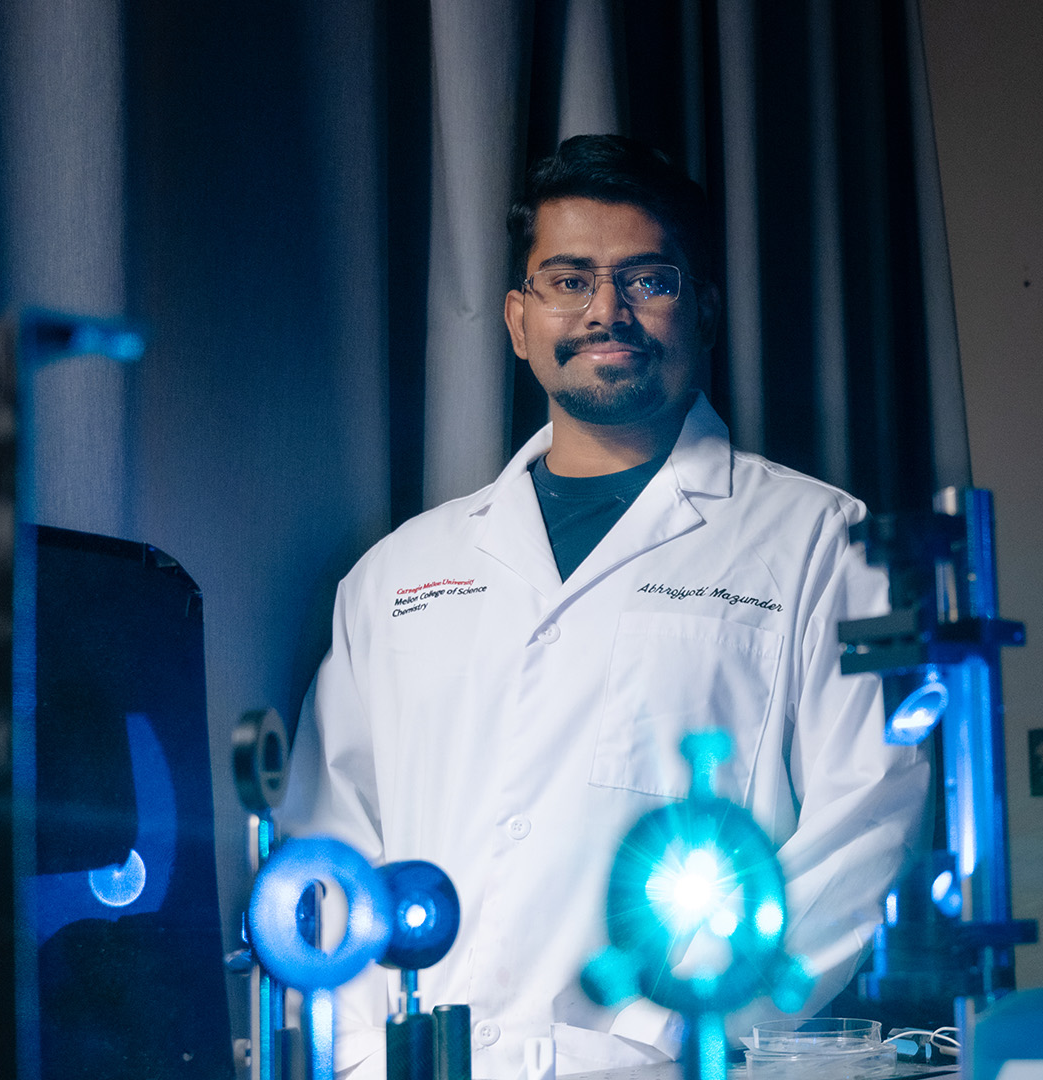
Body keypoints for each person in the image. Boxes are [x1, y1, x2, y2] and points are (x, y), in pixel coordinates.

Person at [279, 134, 930, 1080]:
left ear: (703, 309)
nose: (605, 311)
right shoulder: (396, 574)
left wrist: (663, 1035)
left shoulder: (820, 540)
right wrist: (358, 1054)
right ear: (518, 320)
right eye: (569, 280)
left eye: (647, 280)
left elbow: (864, 823)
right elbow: (329, 837)